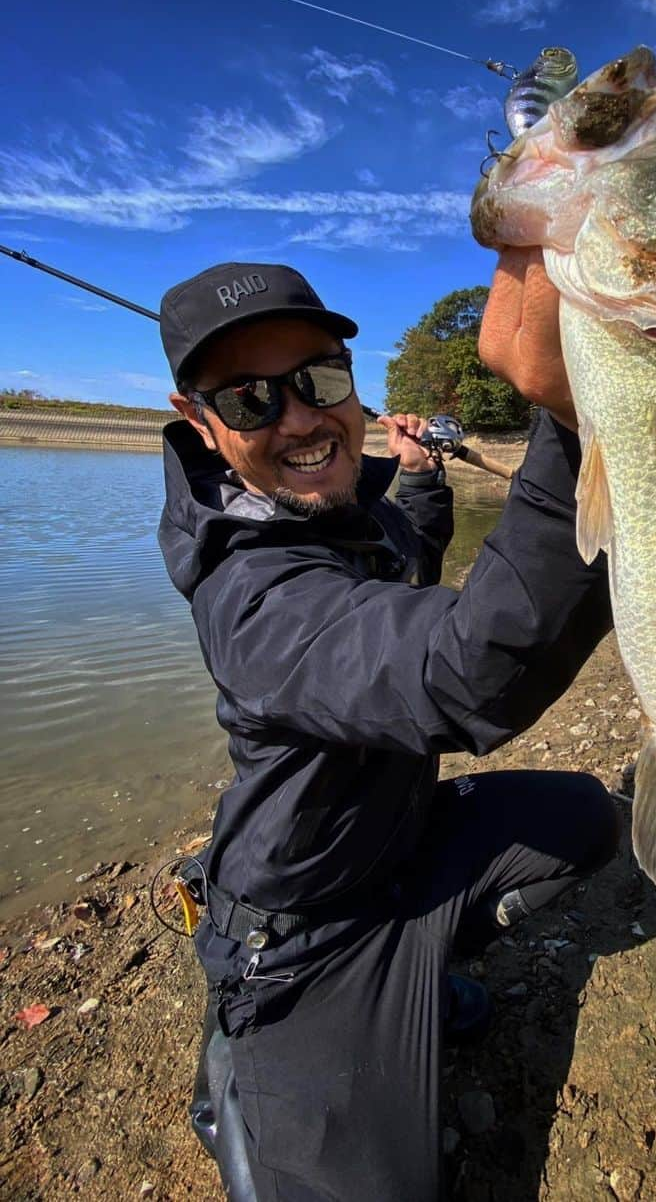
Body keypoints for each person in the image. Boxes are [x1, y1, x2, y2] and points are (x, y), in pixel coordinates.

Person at [156, 249, 619, 1201]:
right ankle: (249, 1070)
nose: (298, 418)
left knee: (588, 822)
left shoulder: (339, 510)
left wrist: (412, 472)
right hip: (307, 922)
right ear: (198, 424)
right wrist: (576, 421)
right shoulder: (255, 598)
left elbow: (406, 554)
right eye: (248, 401)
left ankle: (417, 968)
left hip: (400, 842)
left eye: (319, 381)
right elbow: (462, 674)